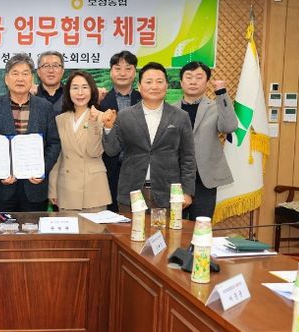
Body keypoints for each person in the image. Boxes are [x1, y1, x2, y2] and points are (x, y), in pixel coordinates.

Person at [102, 62, 196, 211]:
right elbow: (112, 150)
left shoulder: (180, 116)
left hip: (168, 193)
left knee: (166, 228)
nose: (154, 86)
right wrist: (108, 128)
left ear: (167, 86)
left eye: (159, 81)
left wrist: (187, 191)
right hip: (131, 192)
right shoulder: (125, 116)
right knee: (130, 227)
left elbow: (188, 157)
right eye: (149, 82)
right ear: (139, 86)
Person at [0, 53, 60, 212]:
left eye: (25, 74)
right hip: (2, 188)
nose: (20, 78)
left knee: (33, 228)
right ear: (6, 79)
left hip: (34, 188)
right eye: (15, 73)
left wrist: (42, 170)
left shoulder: (44, 107)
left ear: (32, 78)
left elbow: (54, 143)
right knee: (1, 228)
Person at [178, 61, 238, 220]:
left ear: (207, 83)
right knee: (174, 228)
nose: (193, 81)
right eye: (188, 77)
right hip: (177, 181)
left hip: (204, 181)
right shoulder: (170, 109)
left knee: (201, 228)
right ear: (181, 82)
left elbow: (229, 127)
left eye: (199, 77)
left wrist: (221, 93)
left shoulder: (216, 107)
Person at [48, 71, 111, 212]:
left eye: (85, 87)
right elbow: (56, 158)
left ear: (92, 90)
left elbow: (94, 152)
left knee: (94, 227)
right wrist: (52, 189)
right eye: (75, 88)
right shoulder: (60, 120)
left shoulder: (102, 117)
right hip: (66, 189)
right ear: (68, 92)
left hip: (94, 189)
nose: (80, 93)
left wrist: (93, 123)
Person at [98, 51, 141, 211]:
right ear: (111, 72)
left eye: (128, 68)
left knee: (139, 214)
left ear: (134, 72)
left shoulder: (144, 99)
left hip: (139, 169)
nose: (123, 73)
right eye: (117, 68)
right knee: (111, 215)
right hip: (109, 168)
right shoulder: (99, 100)